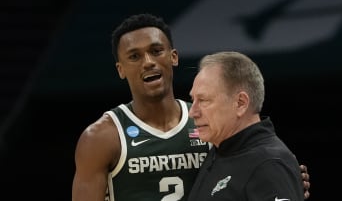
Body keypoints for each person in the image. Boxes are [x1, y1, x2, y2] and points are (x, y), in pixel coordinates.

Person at [71, 14, 310, 201]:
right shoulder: (102, 137)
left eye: (156, 51)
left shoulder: (206, 123)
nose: (148, 62)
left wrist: (281, 175)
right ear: (120, 69)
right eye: (134, 56)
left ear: (173, 57)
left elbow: (249, 159)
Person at [187, 51, 305, 200]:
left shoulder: (269, 166)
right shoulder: (221, 149)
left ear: (241, 103)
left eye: (203, 100)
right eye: (193, 100)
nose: (193, 112)